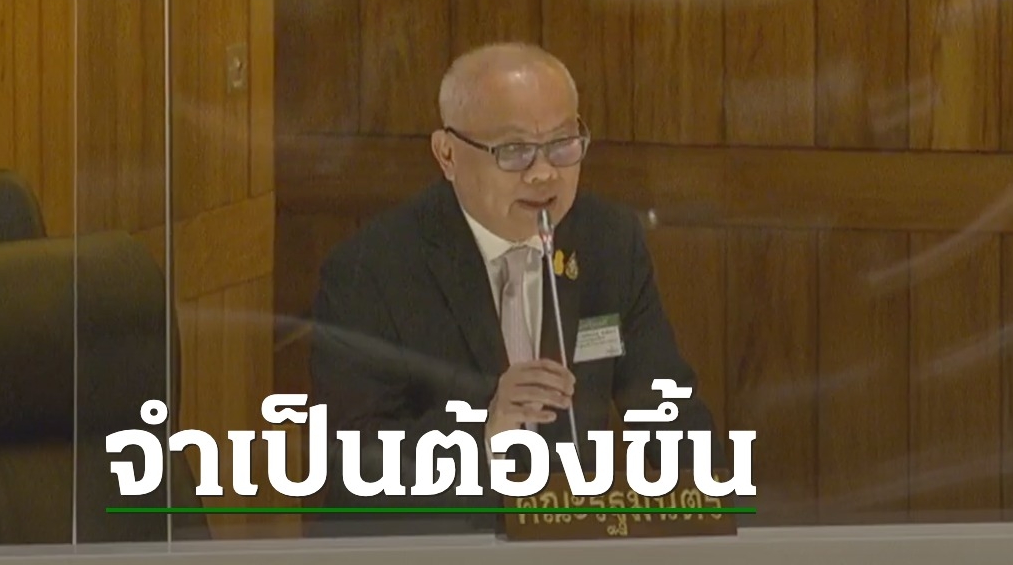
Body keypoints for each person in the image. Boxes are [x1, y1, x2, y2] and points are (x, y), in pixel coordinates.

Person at [307, 42, 723, 535]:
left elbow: (667, 410)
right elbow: (352, 470)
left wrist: (713, 509)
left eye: (563, 145)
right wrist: (485, 429)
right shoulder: (372, 269)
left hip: (573, 539)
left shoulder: (608, 241)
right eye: (514, 151)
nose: (544, 173)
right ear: (447, 154)